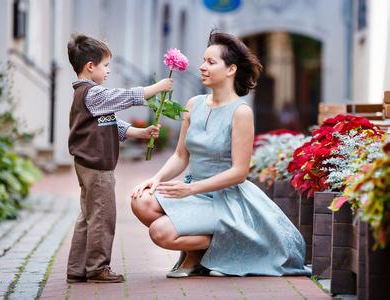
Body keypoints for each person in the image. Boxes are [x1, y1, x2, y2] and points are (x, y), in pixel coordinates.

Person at [131, 31, 310, 278]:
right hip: (193, 191)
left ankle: (227, 243)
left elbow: (239, 173)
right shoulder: (194, 104)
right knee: (141, 201)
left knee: (160, 233)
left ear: (231, 70)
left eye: (211, 62)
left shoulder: (241, 112)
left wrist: (191, 190)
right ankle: (196, 257)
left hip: (226, 199)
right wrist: (157, 178)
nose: (202, 67)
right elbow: (181, 156)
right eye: (203, 61)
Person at [66, 34, 173, 283]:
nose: (108, 70)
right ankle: (97, 268)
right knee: (103, 216)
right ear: (90, 66)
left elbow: (111, 123)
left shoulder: (90, 96)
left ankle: (77, 267)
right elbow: (124, 97)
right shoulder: (92, 93)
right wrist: (157, 88)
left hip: (88, 164)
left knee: (89, 215)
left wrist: (141, 133)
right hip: (97, 166)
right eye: (105, 65)